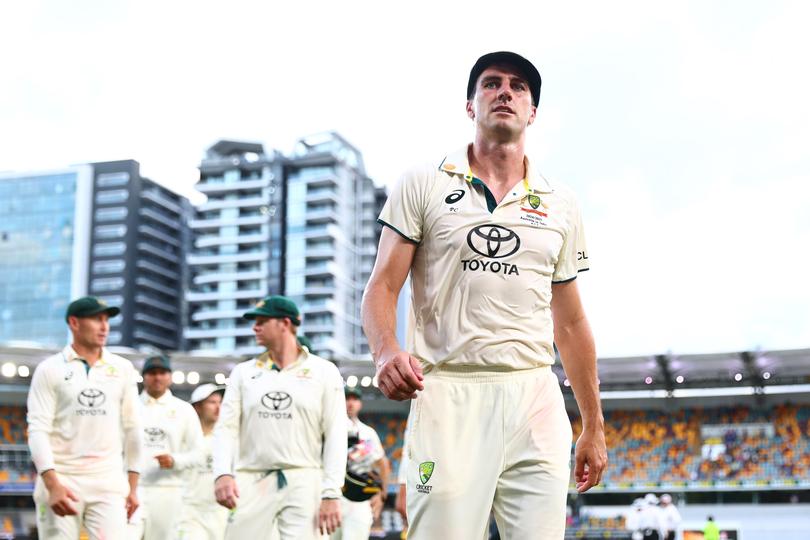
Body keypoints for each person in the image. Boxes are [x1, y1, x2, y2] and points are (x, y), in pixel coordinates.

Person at [361, 50, 607, 539]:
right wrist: (386, 350)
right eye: (491, 84)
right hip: (449, 391)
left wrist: (594, 426)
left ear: (532, 111)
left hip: (534, 395)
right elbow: (383, 286)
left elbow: (572, 322)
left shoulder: (560, 203)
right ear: (471, 105)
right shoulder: (423, 183)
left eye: (518, 87)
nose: (505, 92)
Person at [212, 295, 347, 540]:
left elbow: (336, 434)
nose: (255, 327)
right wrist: (222, 473)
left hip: (305, 479)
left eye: (262, 321)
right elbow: (226, 429)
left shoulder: (324, 371)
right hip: (252, 478)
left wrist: (331, 493)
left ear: (285, 323)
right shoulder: (244, 373)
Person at [26, 296, 142, 539]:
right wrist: (52, 485)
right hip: (62, 479)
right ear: (74, 323)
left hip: (108, 481)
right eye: (96, 319)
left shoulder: (122, 369)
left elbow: (133, 429)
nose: (104, 326)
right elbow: (38, 429)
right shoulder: (50, 369)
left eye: (106, 320)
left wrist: (133, 487)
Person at [129, 354, 204, 540]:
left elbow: (199, 454)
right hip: (130, 488)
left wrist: (174, 460)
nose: (157, 377)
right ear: (144, 377)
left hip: (168, 489)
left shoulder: (184, 410)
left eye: (162, 373)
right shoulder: (129, 407)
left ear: (170, 377)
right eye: (152, 373)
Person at [330, 387, 390, 540]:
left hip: (359, 498)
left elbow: (382, 463)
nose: (350, 403)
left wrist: (382, 494)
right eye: (347, 398)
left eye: (354, 399)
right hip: (330, 495)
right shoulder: (328, 428)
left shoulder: (368, 433)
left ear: (360, 404)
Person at [175, 383, 229, 540]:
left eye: (220, 403)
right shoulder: (183, 438)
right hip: (188, 511)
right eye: (212, 402)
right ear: (197, 407)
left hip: (220, 513)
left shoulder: (227, 439)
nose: (218, 408)